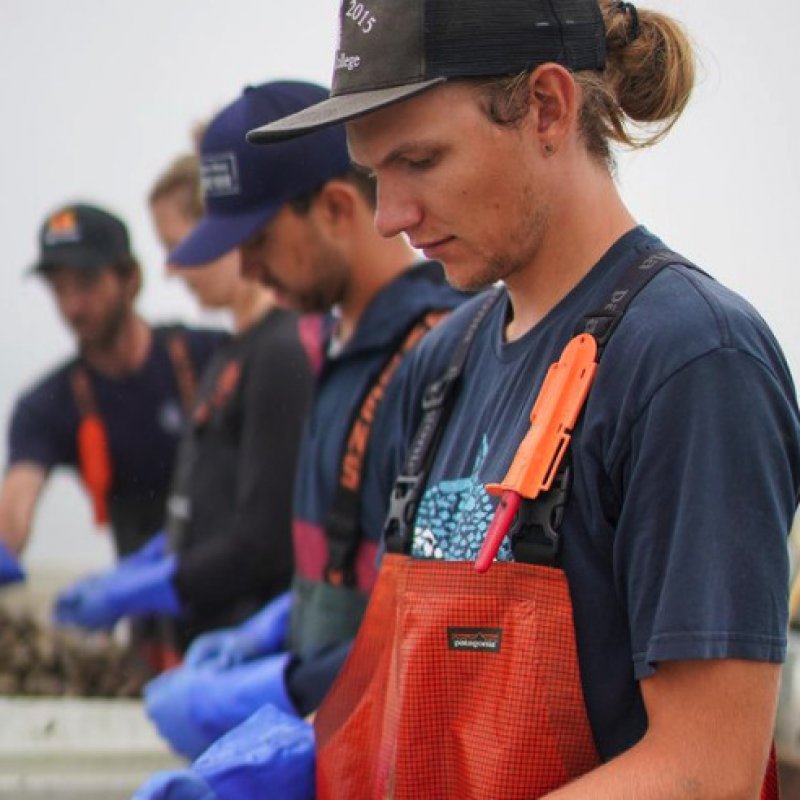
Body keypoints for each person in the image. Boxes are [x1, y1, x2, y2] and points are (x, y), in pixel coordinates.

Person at [172, 0, 799, 798]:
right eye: (373, 174)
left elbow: (704, 772)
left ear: (546, 107)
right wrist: (317, 751)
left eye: (421, 161)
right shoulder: (442, 365)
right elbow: (405, 683)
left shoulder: (690, 360)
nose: (391, 216)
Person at [130, 78, 464, 791]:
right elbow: (346, 568)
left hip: (384, 752)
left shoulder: (437, 360)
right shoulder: (336, 355)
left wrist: (280, 684)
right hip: (332, 733)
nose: (246, 269)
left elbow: (435, 626)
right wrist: (281, 626)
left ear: (338, 208)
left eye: (256, 243)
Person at [53, 150, 316, 651]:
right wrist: (161, 555)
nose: (172, 270)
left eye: (178, 246)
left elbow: (266, 538)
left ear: (223, 231)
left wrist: (160, 586)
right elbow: (211, 501)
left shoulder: (281, 351)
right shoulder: (227, 351)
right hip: (202, 639)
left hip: (248, 642)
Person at [0, 203, 223, 588]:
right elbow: (18, 497)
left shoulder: (209, 358)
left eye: (85, 283)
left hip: (236, 593)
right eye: (58, 289)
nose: (72, 306)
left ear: (130, 278)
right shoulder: (48, 405)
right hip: (144, 608)